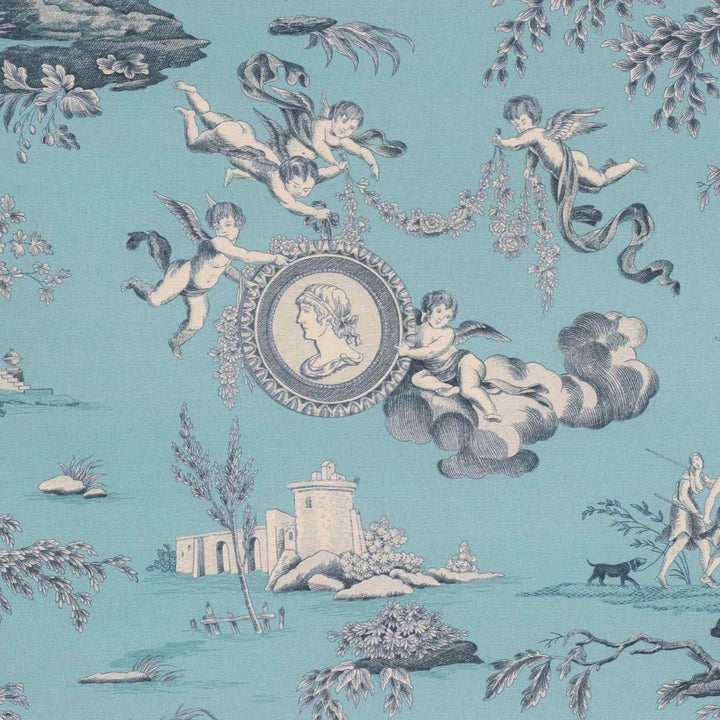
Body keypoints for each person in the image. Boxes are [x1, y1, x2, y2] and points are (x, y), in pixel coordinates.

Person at [122, 198, 288, 359]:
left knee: (196, 324)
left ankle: (175, 342)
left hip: (198, 290)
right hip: (183, 275)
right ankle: (135, 283)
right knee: (155, 301)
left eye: (228, 224)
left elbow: (225, 269)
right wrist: (274, 258)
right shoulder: (219, 242)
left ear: (239, 223)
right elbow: (246, 256)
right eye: (217, 226)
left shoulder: (229, 248)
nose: (223, 230)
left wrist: (243, 281)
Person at [173, 82, 346, 220]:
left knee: (206, 115)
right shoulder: (276, 178)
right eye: (296, 187)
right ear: (287, 178)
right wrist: (315, 212)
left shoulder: (290, 167)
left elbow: (320, 174)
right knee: (193, 144)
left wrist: (338, 169)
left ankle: (191, 92)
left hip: (245, 131)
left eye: (306, 189)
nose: (300, 192)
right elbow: (290, 204)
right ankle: (188, 116)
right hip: (231, 142)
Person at [397, 290, 550, 425]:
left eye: (447, 316)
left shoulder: (448, 333)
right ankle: (446, 387)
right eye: (438, 311)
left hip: (462, 362)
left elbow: (431, 352)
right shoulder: (416, 330)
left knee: (468, 389)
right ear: (428, 309)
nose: (441, 318)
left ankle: (490, 411)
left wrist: (407, 352)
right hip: (440, 373)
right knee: (417, 379)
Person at [492, 95, 646, 190]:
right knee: (591, 184)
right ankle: (616, 166)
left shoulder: (535, 133)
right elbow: (533, 154)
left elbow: (517, 143)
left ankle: (630, 164)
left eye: (523, 122)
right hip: (567, 166)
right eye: (516, 125)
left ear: (533, 118)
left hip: (571, 164)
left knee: (601, 180)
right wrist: (529, 168)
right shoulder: (532, 139)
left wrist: (501, 143)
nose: (520, 127)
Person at [656, 452, 720, 588]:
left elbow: (711, 483)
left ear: (702, 461)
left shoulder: (702, 475)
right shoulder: (686, 476)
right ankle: (661, 575)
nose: (697, 462)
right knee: (681, 540)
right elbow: (683, 497)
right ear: (691, 463)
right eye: (694, 460)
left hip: (693, 509)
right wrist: (697, 513)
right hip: (681, 509)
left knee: (704, 544)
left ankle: (707, 576)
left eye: (698, 459)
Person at [295, 283, 363, 379]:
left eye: (306, 311)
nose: (299, 320)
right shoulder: (311, 363)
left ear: (328, 317)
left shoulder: (349, 365)